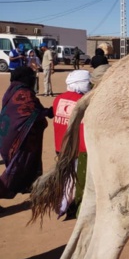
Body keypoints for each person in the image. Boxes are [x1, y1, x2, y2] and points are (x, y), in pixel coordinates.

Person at [0, 67, 54, 198]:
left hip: (8, 137)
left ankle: (27, 186)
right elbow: (31, 113)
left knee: (19, 167)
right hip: (19, 140)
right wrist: (49, 112)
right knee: (16, 170)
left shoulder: (12, 90)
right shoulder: (24, 93)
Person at [53, 70, 91, 218]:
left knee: (64, 176)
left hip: (60, 146)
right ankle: (65, 206)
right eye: (88, 83)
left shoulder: (58, 99)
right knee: (74, 181)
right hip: (76, 147)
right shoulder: (82, 102)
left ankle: (61, 205)